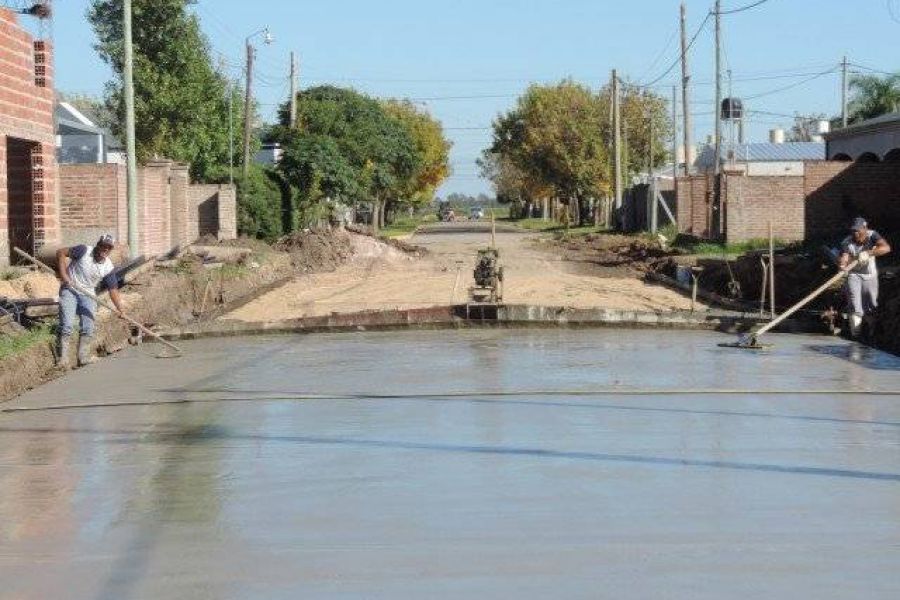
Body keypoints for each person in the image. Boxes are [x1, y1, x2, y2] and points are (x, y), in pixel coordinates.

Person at [55, 234, 126, 368]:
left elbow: (113, 290)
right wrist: (64, 275)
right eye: (103, 246)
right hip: (70, 289)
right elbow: (60, 252)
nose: (105, 249)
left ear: (110, 250)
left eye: (108, 248)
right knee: (67, 325)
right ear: (98, 244)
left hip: (88, 294)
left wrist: (120, 309)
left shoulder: (108, 267)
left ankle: (84, 357)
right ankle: (63, 360)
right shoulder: (83, 251)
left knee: (88, 326)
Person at [838, 217, 891, 337]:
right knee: (854, 303)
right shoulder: (847, 241)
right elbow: (844, 256)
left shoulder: (873, 235)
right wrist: (842, 266)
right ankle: (856, 334)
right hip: (854, 274)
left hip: (870, 274)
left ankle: (871, 332)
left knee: (871, 303)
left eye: (858, 230)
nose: (856, 233)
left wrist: (869, 253)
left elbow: (886, 248)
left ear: (865, 228)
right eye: (854, 231)